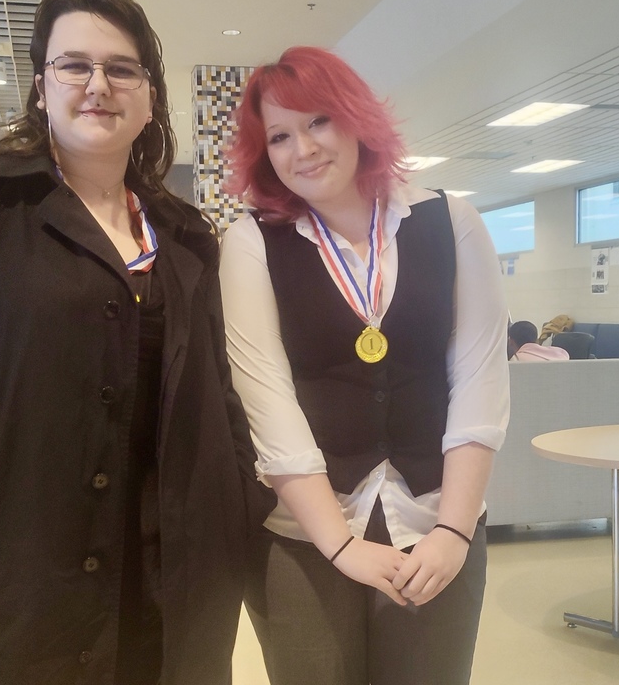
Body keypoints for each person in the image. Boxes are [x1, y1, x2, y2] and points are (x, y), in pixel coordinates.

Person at [0, 0, 274, 685]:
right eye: (75, 65)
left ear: (150, 96)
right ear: (42, 87)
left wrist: (241, 499)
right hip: (15, 560)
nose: (98, 85)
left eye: (121, 68)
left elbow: (220, 386)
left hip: (174, 565)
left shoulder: (187, 236)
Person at [219, 46, 510, 685]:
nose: (304, 148)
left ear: (355, 119)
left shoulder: (450, 221)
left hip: (438, 518)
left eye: (318, 120)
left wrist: (454, 532)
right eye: (279, 136)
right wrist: (342, 544)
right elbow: (270, 406)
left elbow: (480, 384)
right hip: (304, 530)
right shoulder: (250, 244)